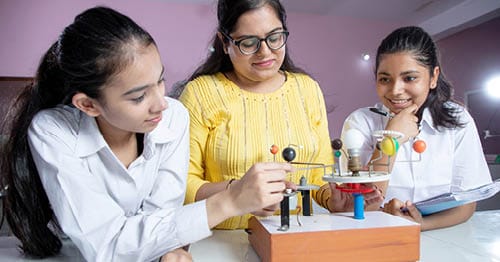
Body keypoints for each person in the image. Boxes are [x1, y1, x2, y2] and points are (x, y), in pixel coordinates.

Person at [0, 6, 294, 261]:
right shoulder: (52, 131)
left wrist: (169, 248)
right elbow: (107, 247)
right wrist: (229, 200)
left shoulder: (173, 117)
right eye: (139, 97)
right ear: (88, 104)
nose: (160, 104)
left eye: (160, 80)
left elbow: (162, 219)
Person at [176, 0, 383, 230]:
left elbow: (317, 176)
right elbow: (181, 186)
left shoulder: (307, 89)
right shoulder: (200, 93)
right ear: (225, 43)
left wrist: (335, 200)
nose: (265, 52)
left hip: (298, 240)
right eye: (248, 43)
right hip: (223, 242)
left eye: (274, 38)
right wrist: (236, 194)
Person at [340, 26, 492, 231]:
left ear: (433, 77)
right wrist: (391, 139)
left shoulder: (457, 120)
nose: (395, 90)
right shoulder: (360, 123)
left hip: (444, 236)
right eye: (385, 79)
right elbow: (358, 205)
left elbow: (466, 204)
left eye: (409, 78)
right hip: (379, 236)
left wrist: (420, 224)